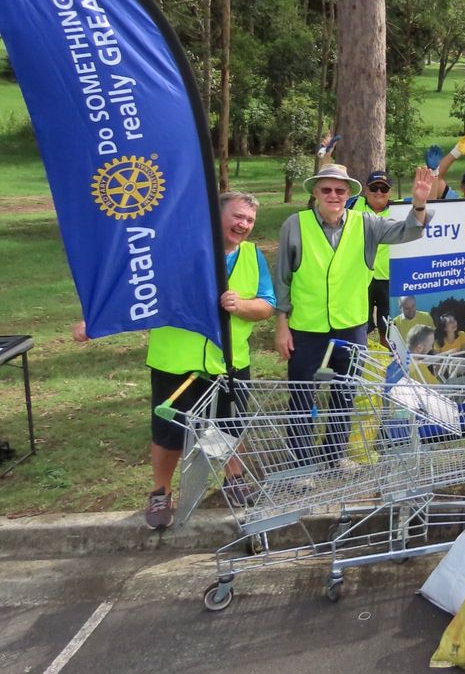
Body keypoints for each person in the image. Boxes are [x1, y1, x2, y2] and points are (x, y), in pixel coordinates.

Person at [73, 191, 276, 529]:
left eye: (250, 220)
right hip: (175, 362)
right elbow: (136, 292)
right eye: (237, 216)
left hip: (228, 363)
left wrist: (241, 306)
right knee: (168, 433)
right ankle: (161, 491)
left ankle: (235, 477)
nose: (243, 224)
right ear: (216, 215)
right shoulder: (175, 251)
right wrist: (95, 322)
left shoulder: (254, 257)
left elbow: (267, 305)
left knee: (230, 427)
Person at [275, 163, 433, 470]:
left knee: (344, 394)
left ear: (348, 194)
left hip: (351, 327)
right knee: (302, 397)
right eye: (326, 190)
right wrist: (281, 326)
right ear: (315, 194)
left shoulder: (366, 224)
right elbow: (283, 281)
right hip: (306, 328)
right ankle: (302, 465)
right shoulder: (294, 225)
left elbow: (410, 230)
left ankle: (334, 456)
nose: (333, 195)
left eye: (340, 190)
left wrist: (420, 202)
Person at [348, 170, 395, 345]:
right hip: (359, 276)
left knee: (388, 328)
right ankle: (362, 362)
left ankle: (386, 363)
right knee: (360, 325)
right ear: (366, 190)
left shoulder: (399, 209)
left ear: (389, 192)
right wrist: (325, 158)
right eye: (374, 188)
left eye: (384, 189)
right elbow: (328, 195)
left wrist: (434, 173)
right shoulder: (353, 204)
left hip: (388, 278)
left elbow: (430, 205)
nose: (378, 193)